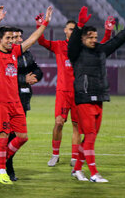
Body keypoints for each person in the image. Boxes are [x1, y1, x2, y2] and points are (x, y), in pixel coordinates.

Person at [68, 6, 125, 183]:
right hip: (83, 98)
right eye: (90, 37)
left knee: (91, 137)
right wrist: (79, 25)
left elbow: (119, 40)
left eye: (96, 37)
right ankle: (94, 173)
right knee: (89, 136)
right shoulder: (76, 52)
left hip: (100, 97)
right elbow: (72, 43)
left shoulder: (101, 50)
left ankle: (77, 169)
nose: (94, 40)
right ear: (82, 38)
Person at [0, 5, 53, 185]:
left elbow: (32, 39)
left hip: (16, 102)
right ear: (0, 40)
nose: (10, 41)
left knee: (23, 137)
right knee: (3, 137)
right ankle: (2, 171)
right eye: (7, 38)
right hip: (0, 102)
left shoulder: (15, 52)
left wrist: (45, 23)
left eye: (11, 38)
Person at [37, 14, 113, 168]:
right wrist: (41, 25)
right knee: (59, 122)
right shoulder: (59, 45)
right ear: (65, 30)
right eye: (70, 29)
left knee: (77, 126)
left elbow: (102, 45)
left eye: (75, 29)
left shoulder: (83, 48)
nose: (72, 31)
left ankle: (73, 156)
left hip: (79, 92)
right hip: (63, 92)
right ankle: (55, 154)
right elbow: (41, 41)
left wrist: (108, 32)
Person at [5, 27, 43, 181]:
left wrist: (36, 77)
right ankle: (7, 167)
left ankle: (2, 163)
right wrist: (23, 79)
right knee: (10, 136)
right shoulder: (6, 54)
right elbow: (4, 76)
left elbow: (37, 68)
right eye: (16, 37)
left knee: (17, 136)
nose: (20, 39)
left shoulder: (26, 54)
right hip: (10, 99)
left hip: (24, 98)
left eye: (20, 36)